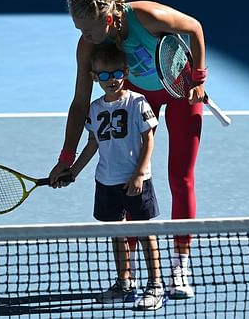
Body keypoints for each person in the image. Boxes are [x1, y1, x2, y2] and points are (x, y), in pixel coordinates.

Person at [50, 0, 207, 299]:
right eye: (79, 29)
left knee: (181, 177)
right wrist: (66, 157)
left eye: (90, 29)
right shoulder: (88, 47)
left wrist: (199, 80)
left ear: (109, 19)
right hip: (139, 95)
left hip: (180, 90)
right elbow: (80, 104)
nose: (86, 36)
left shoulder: (148, 16)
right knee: (125, 179)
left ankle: (180, 266)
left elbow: (195, 27)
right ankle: (128, 275)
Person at [63, 43, 164, 310]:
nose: (111, 80)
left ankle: (155, 285)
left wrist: (140, 172)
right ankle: (125, 282)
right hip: (106, 181)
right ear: (95, 77)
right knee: (116, 232)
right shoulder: (95, 109)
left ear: (126, 72)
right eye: (104, 75)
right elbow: (92, 144)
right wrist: (73, 171)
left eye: (116, 73)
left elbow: (149, 140)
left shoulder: (137, 102)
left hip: (135, 179)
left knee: (145, 232)